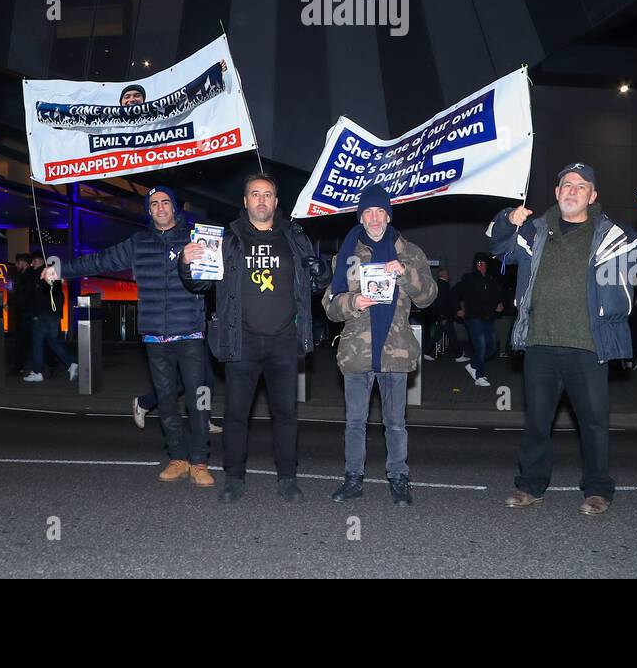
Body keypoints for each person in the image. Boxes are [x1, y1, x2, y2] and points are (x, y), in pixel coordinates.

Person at [486, 160, 637, 515]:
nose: (572, 190)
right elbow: (498, 247)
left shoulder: (614, 236)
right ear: (556, 192)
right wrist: (506, 218)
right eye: (566, 184)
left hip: (590, 347)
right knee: (536, 422)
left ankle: (597, 489)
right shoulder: (533, 230)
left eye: (581, 186)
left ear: (592, 195)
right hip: (540, 344)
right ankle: (530, 486)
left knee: (593, 424)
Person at [180, 172, 331, 504]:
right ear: (245, 201)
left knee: (286, 414)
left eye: (268, 195)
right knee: (236, 414)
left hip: (283, 341)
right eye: (255, 194)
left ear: (276, 202)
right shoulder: (226, 240)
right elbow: (200, 284)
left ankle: (288, 478)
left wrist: (323, 273)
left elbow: (315, 280)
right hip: (241, 341)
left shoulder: (295, 236)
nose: (262, 200)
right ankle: (234, 478)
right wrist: (186, 264)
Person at [48, 187, 212, 486]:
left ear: (175, 208)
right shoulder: (139, 242)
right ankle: (178, 457)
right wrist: (62, 270)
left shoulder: (195, 239)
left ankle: (199, 461)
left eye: (165, 202)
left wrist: (188, 262)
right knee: (164, 399)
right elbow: (101, 260)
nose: (161, 208)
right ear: (148, 211)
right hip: (154, 335)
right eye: (154, 205)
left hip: (190, 332)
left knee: (198, 399)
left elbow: (206, 287)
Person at [323, 184, 437, 507]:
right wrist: (353, 302)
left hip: (395, 351)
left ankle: (399, 478)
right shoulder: (346, 254)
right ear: (361, 216)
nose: (374, 218)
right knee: (355, 422)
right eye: (367, 212)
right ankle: (352, 479)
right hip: (357, 352)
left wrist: (406, 274)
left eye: (379, 212)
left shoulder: (409, 252)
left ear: (388, 214)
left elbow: (429, 297)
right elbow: (330, 306)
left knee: (396, 423)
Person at [27, 255, 78, 383]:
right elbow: (60, 296)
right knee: (52, 341)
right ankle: (71, 363)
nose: (33, 263)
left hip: (44, 314)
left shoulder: (40, 275)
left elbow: (37, 298)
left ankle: (38, 372)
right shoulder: (53, 275)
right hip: (53, 314)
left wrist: (36, 313)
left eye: (35, 260)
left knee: (37, 342)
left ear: (42, 261)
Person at [454, 255, 503, 387]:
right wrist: (458, 308)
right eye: (478, 263)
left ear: (486, 265)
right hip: (473, 317)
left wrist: (498, 304)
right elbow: (454, 293)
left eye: (482, 263)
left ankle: (473, 365)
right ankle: (479, 376)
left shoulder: (491, 279)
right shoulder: (469, 278)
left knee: (491, 348)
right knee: (481, 346)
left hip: (488, 317)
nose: (480, 265)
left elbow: (495, 295)